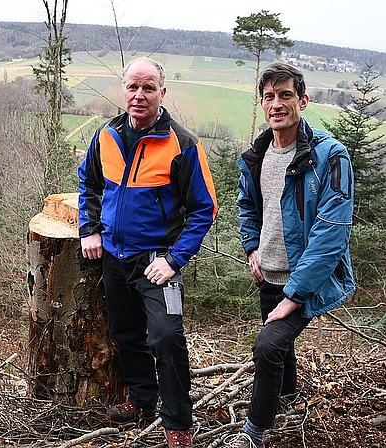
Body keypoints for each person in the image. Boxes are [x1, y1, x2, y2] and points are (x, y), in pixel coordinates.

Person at [78, 56, 217, 448]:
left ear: (162, 92)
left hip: (158, 260)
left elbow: (205, 208)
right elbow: (88, 184)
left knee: (167, 337)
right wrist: (89, 229)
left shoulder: (183, 143)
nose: (139, 95)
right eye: (132, 87)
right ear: (123, 90)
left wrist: (175, 260)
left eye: (148, 87)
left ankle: (177, 421)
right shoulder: (106, 135)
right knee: (126, 333)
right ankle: (141, 400)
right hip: (114, 257)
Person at [226, 62, 355, 448]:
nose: (277, 103)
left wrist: (295, 295)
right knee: (281, 348)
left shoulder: (330, 157)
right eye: (269, 96)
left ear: (303, 100)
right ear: (261, 104)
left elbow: (330, 235)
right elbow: (247, 205)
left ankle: (255, 431)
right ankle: (289, 400)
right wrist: (252, 248)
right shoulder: (258, 154)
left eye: (285, 95)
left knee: (266, 347)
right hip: (268, 273)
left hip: (305, 278)